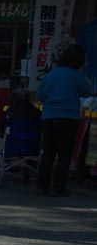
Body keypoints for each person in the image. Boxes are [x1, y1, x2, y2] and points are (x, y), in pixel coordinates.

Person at [35, 44, 93, 196]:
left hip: (48, 117)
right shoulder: (77, 76)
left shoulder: (50, 75)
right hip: (68, 118)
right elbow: (87, 92)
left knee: (48, 153)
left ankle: (42, 186)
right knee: (64, 154)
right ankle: (58, 187)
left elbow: (39, 95)